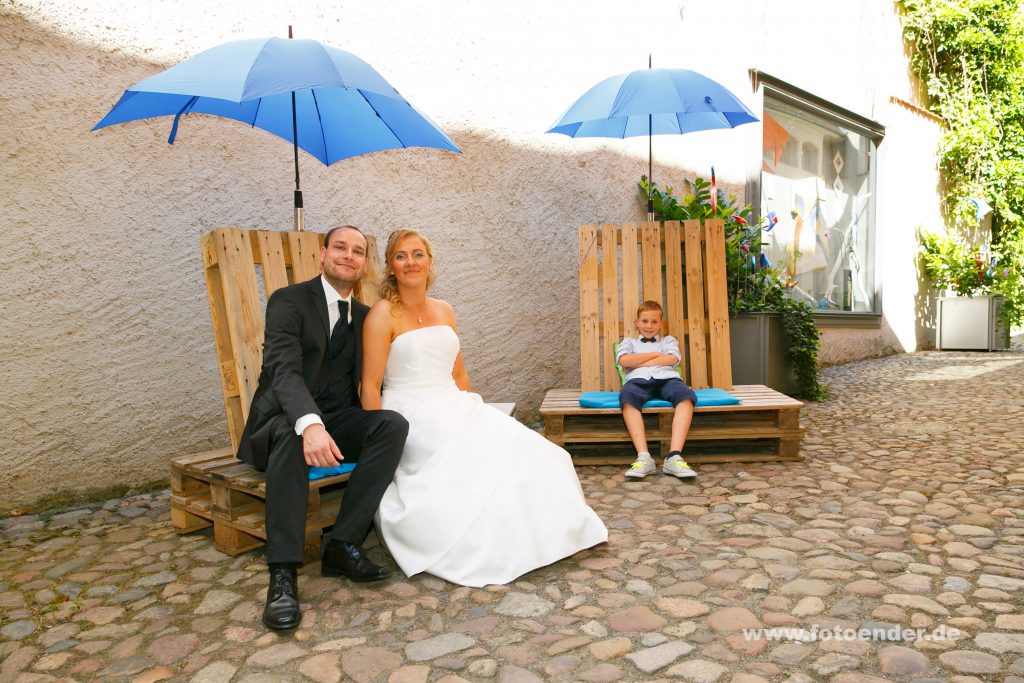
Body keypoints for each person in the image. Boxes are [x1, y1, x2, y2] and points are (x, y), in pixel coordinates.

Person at [361, 229, 608, 587]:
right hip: (408, 410)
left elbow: (459, 372)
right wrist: (377, 436)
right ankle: (475, 547)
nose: (410, 262)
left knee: (531, 448)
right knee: (466, 458)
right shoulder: (382, 314)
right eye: (401, 256)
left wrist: (472, 413)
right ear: (390, 266)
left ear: (430, 262)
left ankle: (541, 537)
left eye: (418, 254)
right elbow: (369, 385)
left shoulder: (444, 309)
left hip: (452, 401)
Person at [236, 225, 409, 631]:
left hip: (338, 419)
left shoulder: (365, 317)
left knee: (391, 426)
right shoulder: (289, 301)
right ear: (322, 254)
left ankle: (344, 544)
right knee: (290, 436)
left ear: (365, 264)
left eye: (358, 251)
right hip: (281, 418)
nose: (348, 255)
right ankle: (282, 573)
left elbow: (373, 380)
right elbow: (283, 371)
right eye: (340, 247)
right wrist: (309, 423)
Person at [617, 300, 698, 479]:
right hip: (638, 380)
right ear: (637, 322)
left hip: (666, 379)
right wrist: (656, 354)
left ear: (661, 323)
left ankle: (674, 457)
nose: (649, 326)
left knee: (686, 396)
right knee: (627, 397)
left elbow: (672, 360)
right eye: (645, 321)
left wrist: (637, 362)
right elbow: (624, 361)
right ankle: (644, 457)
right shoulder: (629, 342)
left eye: (654, 322)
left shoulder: (668, 340)